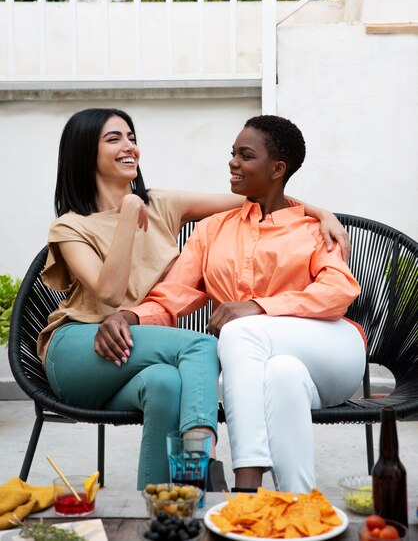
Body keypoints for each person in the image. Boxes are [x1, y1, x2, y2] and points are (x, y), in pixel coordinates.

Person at [39, 107, 353, 491]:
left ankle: (157, 508)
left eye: (132, 137)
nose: (130, 146)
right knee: (204, 344)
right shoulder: (72, 225)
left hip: (132, 348)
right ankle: (203, 463)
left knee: (166, 385)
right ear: (84, 151)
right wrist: (129, 213)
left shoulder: (163, 204)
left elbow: (263, 195)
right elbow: (114, 293)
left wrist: (320, 212)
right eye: (114, 138)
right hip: (83, 342)